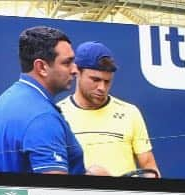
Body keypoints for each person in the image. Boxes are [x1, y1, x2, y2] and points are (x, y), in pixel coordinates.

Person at [0, 26, 90, 175]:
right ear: (41, 67)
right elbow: (54, 194)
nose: (74, 70)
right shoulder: (43, 118)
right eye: (67, 63)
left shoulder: (6, 100)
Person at [58, 42, 158, 177]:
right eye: (95, 79)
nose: (102, 88)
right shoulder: (57, 114)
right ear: (77, 72)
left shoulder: (129, 112)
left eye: (107, 81)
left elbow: (149, 167)